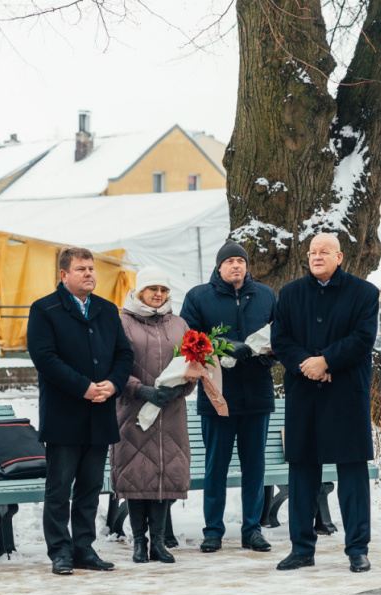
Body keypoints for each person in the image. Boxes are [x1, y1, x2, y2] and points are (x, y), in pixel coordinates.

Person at [270, 232, 378, 573]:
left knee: (353, 473)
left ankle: (357, 549)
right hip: (304, 395)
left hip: (346, 395)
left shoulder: (364, 293)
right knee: (302, 472)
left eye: (325, 251)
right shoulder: (289, 294)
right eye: (312, 252)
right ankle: (301, 548)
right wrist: (308, 365)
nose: (317, 256)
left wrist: (327, 361)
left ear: (339, 257)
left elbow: (362, 338)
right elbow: (280, 339)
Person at [27, 247, 134, 575]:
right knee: (59, 488)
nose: (89, 273)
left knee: (90, 487)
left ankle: (84, 548)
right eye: (81, 269)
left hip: (100, 412)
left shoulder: (106, 309)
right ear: (64, 275)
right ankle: (60, 551)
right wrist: (83, 387)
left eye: (91, 268)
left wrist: (113, 384)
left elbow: (124, 354)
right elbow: (45, 358)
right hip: (64, 414)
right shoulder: (45, 309)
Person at [179, 240, 278, 554]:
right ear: (219, 266)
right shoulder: (199, 297)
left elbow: (281, 334)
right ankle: (213, 531)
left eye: (241, 261)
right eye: (230, 261)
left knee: (255, 468)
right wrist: (223, 348)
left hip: (257, 395)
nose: (236, 265)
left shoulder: (265, 295)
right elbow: (188, 341)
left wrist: (270, 358)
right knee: (215, 467)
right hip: (216, 395)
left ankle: (252, 530)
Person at [111, 267, 196, 564]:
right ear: (139, 291)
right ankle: (139, 542)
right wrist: (142, 390)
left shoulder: (179, 324)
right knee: (137, 476)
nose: (158, 294)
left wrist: (181, 388)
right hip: (133, 411)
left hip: (170, 413)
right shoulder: (122, 323)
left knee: (163, 474)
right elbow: (114, 367)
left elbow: (193, 363)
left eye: (163, 289)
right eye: (152, 289)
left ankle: (158, 542)